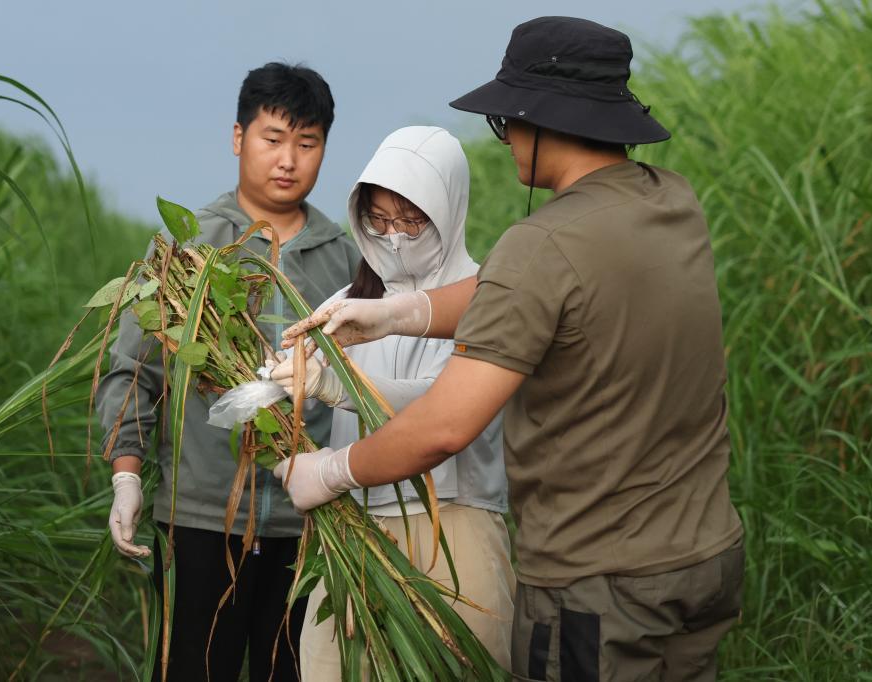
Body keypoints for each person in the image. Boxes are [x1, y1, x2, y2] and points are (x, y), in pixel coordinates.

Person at [279, 16, 744, 682]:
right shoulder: (670, 201)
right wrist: (399, 314)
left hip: (600, 584)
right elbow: (537, 297)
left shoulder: (542, 246)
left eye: (506, 123)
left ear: (541, 120)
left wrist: (331, 470)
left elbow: (444, 428)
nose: (506, 141)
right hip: (704, 559)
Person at [96, 62, 360, 681]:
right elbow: (133, 369)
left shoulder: (347, 260)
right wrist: (127, 476)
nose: (288, 159)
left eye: (307, 142)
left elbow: (363, 387)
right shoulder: (190, 248)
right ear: (238, 137)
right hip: (201, 516)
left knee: (295, 670)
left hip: (312, 522)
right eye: (272, 138)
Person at [268, 126, 514, 678]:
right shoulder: (349, 300)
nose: (395, 237)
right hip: (355, 524)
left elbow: (443, 403)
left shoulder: (485, 294)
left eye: (410, 221)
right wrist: (270, 382)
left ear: (448, 210)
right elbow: (297, 363)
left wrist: (341, 388)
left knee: (455, 665)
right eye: (379, 221)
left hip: (451, 524)